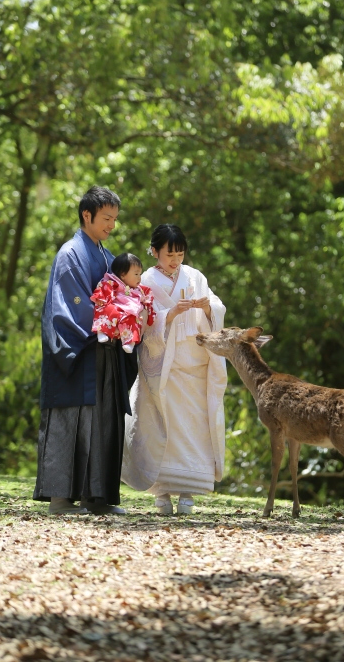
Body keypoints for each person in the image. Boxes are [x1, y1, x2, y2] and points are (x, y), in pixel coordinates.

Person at [33, 186, 136, 515]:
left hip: (106, 350)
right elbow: (68, 306)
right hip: (78, 348)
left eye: (115, 220)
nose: (111, 226)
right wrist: (105, 324)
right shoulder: (70, 254)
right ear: (86, 216)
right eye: (106, 218)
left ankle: (97, 497)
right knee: (71, 421)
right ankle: (60, 498)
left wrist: (127, 320)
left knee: (103, 423)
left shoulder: (108, 257)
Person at [121, 224, 228, 515]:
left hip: (194, 363)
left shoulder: (195, 276)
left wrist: (208, 309)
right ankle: (162, 492)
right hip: (163, 364)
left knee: (193, 426)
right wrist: (170, 314)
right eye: (170, 254)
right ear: (154, 251)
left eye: (180, 254)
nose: (175, 260)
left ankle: (188, 492)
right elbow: (140, 319)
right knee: (161, 423)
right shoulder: (145, 281)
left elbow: (218, 308)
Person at [90, 252, 156, 352]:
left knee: (132, 317)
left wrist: (146, 308)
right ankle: (102, 331)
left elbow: (146, 299)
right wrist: (101, 299)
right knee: (107, 308)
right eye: (136, 274)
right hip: (114, 309)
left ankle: (130, 341)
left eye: (140, 274)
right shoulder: (111, 281)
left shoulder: (140, 289)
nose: (139, 277)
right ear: (123, 274)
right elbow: (103, 290)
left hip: (128, 312)